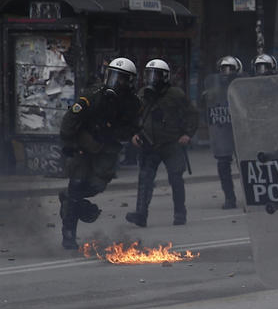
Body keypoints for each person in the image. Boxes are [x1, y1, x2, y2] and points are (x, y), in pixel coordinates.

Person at [58, 58, 141, 249]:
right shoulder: (93, 95)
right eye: (113, 76)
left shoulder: (133, 103)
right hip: (83, 146)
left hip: (107, 150)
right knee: (77, 185)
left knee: (96, 186)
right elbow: (70, 119)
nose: (116, 82)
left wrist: (126, 134)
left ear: (130, 81)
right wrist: (69, 143)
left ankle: (69, 198)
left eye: (122, 79)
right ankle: (69, 235)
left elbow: (133, 127)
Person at [126, 59, 199, 227]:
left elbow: (192, 114)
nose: (152, 78)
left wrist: (188, 134)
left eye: (156, 75)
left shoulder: (175, 94)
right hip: (149, 145)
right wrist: (134, 134)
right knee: (145, 179)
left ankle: (180, 213)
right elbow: (133, 117)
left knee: (175, 178)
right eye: (150, 74)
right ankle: (141, 214)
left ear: (165, 76)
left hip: (172, 144)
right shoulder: (143, 94)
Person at [202, 56, 243, 209]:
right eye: (223, 69)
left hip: (241, 132)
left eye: (229, 69)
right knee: (223, 165)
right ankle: (229, 198)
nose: (225, 73)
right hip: (223, 131)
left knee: (245, 166)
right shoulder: (215, 87)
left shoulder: (242, 86)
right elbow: (208, 104)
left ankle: (251, 195)